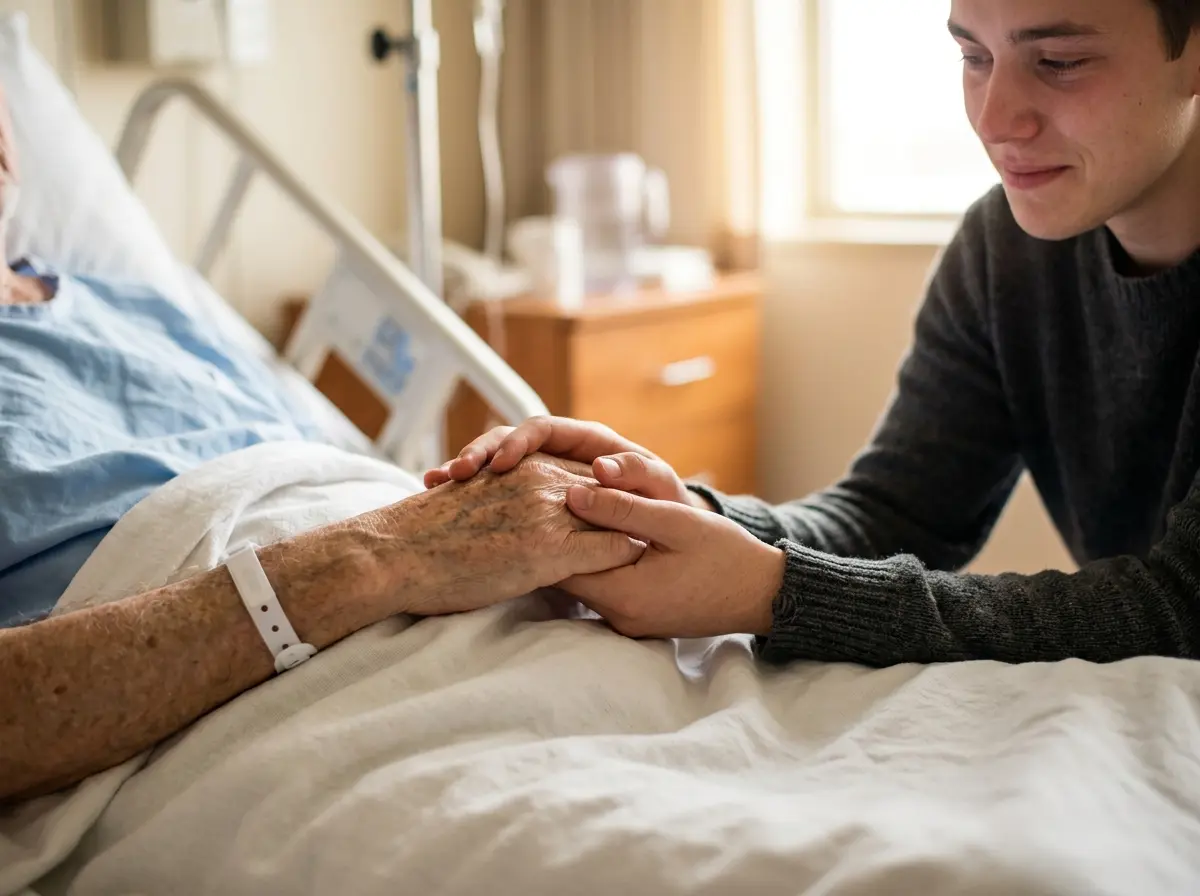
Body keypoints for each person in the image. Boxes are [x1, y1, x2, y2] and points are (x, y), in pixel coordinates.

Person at [431, 0, 1200, 668]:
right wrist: (673, 511)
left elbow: (1181, 607)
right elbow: (892, 516)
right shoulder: (1005, 251)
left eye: (1059, 61)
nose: (996, 119)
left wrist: (774, 593)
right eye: (973, 56)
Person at [0, 85, 644, 801]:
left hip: (464, 605)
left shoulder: (142, 303)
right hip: (259, 700)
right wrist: (393, 553)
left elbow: (317, 479)